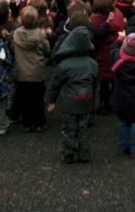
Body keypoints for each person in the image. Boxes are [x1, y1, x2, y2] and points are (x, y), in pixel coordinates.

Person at [46, 25, 98, 164]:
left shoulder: (64, 65)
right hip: (86, 101)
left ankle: (68, 154)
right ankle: (84, 154)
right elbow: (94, 84)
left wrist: (51, 100)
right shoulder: (92, 64)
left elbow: (55, 84)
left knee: (69, 129)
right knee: (83, 129)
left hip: (69, 103)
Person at [11, 6, 52, 132]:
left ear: (21, 20)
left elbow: (12, 49)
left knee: (25, 99)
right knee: (38, 99)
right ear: (37, 21)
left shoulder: (16, 34)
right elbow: (47, 50)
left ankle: (26, 123)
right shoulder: (40, 34)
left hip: (22, 73)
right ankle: (39, 122)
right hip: (37, 72)